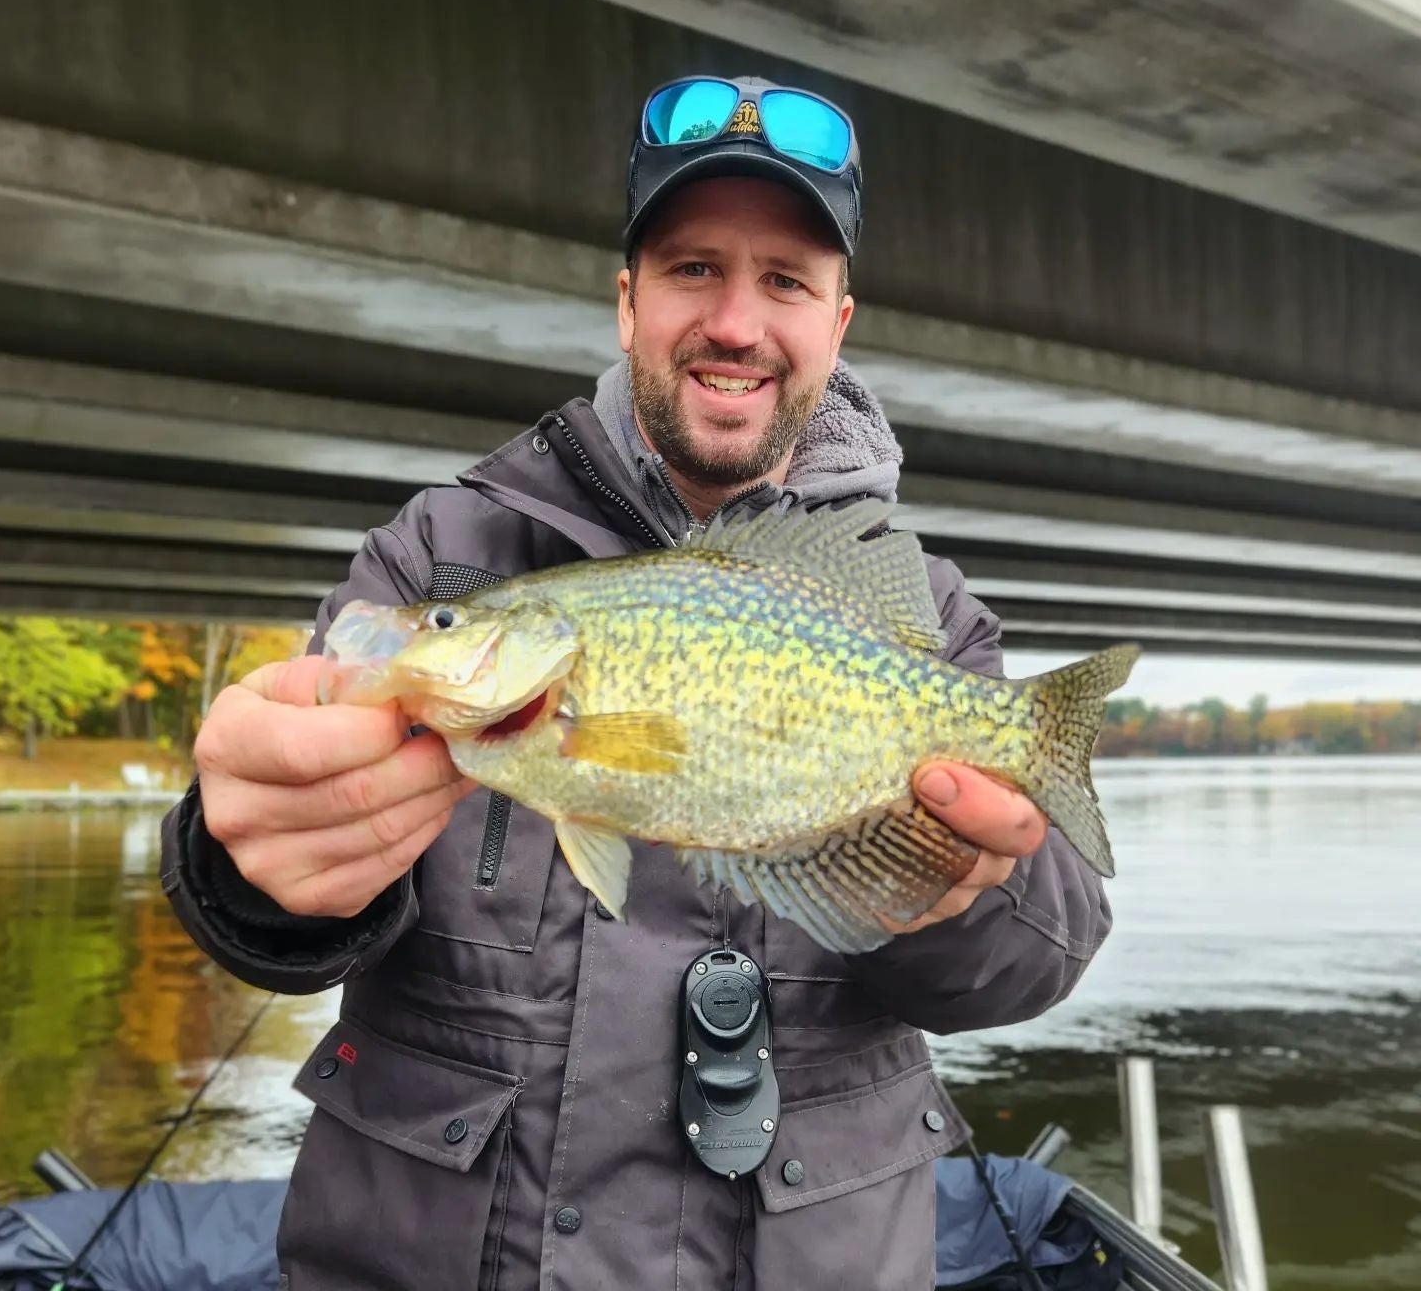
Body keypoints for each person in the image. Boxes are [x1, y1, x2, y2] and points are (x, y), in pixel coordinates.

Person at [161, 74, 1111, 1290]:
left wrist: (964, 889)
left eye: (786, 282)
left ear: (838, 322)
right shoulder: (437, 552)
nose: (736, 322)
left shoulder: (920, 606)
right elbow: (284, 902)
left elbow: (1039, 958)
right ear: (627, 303)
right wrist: (251, 872)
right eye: (692, 268)